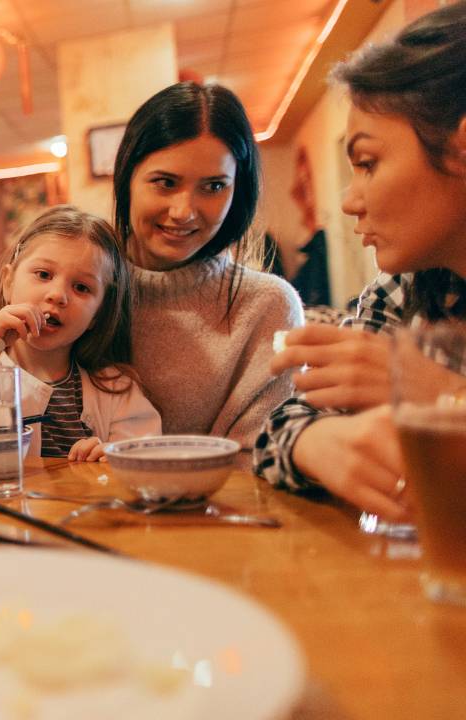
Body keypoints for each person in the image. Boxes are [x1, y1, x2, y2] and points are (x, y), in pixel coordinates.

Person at [254, 2, 466, 520]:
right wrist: (320, 444)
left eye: (368, 163)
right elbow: (276, 432)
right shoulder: (402, 289)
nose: (348, 200)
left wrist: (447, 396)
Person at [112, 82, 303, 449]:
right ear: (127, 178)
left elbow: (259, 461)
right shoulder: (78, 290)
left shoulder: (268, 307)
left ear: (238, 192)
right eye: (165, 183)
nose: (184, 211)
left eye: (214, 187)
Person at [0, 206, 160, 462]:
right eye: (44, 274)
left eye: (81, 287)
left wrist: (113, 457)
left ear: (99, 314)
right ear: (9, 283)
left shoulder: (116, 389)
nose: (58, 295)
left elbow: (147, 460)